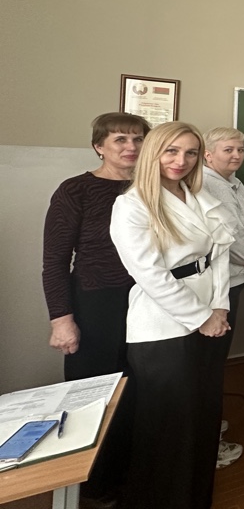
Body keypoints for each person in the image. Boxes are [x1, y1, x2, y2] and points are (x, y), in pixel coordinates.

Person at [110, 121, 234, 509]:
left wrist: (220, 306)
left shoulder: (197, 195)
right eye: (172, 151)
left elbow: (219, 253)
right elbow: (150, 275)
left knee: (202, 418)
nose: (182, 160)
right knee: (169, 427)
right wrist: (202, 317)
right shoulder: (132, 205)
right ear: (154, 153)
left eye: (191, 152)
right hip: (163, 329)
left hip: (210, 317)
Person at [41, 111, 150, 505]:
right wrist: (62, 320)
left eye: (138, 139)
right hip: (96, 303)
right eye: (120, 139)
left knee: (139, 393)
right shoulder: (76, 190)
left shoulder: (153, 187)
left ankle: (131, 478)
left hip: (148, 302)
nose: (131, 147)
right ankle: (94, 487)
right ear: (99, 146)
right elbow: (54, 262)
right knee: (93, 397)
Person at [201, 127, 244, 468]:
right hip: (220, 285)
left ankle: (210, 422)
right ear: (209, 154)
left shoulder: (236, 183)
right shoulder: (206, 184)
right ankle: (207, 438)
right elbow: (225, 233)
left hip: (239, 276)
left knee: (219, 359)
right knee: (210, 362)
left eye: (240, 149)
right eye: (228, 150)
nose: (237, 155)